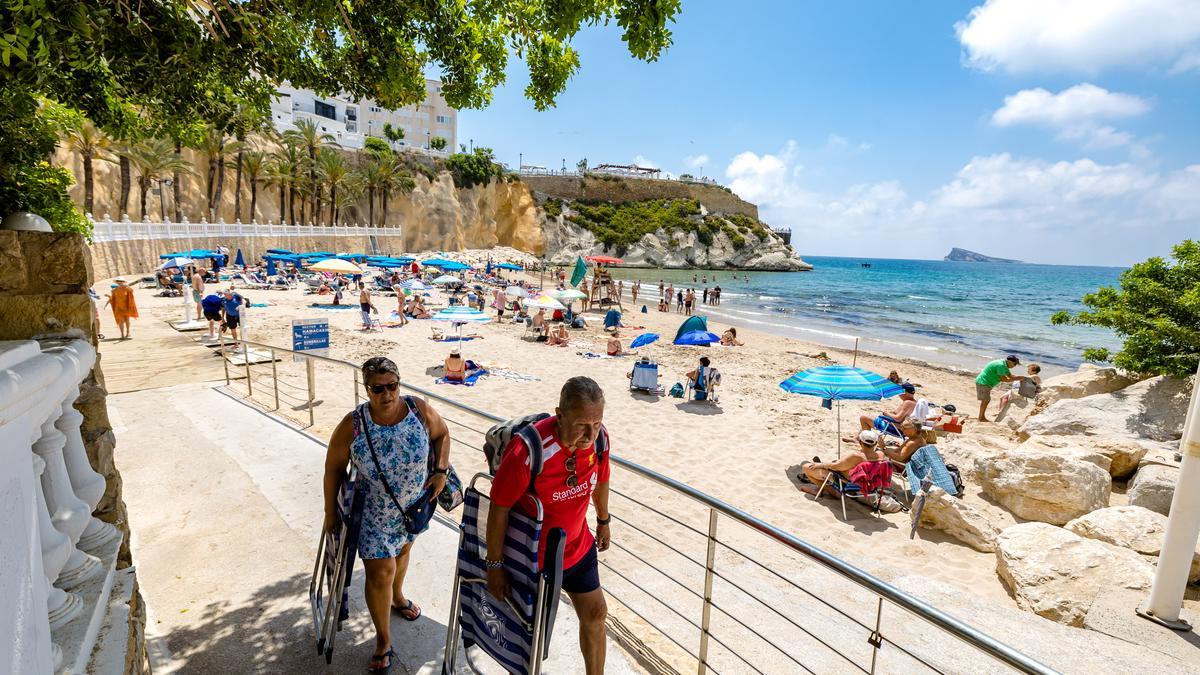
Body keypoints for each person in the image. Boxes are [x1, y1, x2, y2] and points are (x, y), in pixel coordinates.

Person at [323, 357, 451, 672]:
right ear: (367, 389)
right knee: (380, 572)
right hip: (373, 515)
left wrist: (441, 471)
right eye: (378, 388)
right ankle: (383, 640)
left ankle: (398, 596)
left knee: (404, 552)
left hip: (414, 508)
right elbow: (333, 470)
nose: (387, 394)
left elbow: (442, 434)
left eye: (392, 386)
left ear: (399, 383)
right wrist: (330, 513)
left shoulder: (418, 409)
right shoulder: (352, 425)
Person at [488, 377, 611, 675]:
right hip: (535, 560)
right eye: (582, 424)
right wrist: (495, 565)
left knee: (596, 614)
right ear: (560, 414)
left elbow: (602, 478)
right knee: (530, 636)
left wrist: (603, 520)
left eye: (596, 423)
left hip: (578, 547)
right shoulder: (528, 450)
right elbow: (499, 508)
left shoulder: (599, 439)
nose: (590, 433)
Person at [800, 430, 886, 492]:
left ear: (860, 442)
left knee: (807, 467)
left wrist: (821, 465)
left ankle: (829, 492)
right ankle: (823, 488)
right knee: (834, 463)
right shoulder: (881, 455)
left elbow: (836, 467)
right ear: (875, 444)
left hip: (848, 483)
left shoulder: (857, 456)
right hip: (868, 484)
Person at [976, 355, 1021, 422]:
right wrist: (1018, 378)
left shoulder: (1004, 364)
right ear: (1010, 361)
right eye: (1014, 364)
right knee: (985, 400)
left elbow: (1009, 375)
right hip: (983, 382)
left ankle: (981, 417)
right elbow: (1003, 379)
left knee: (986, 400)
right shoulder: (1001, 365)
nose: (1014, 366)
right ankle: (980, 418)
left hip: (986, 383)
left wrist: (1020, 378)